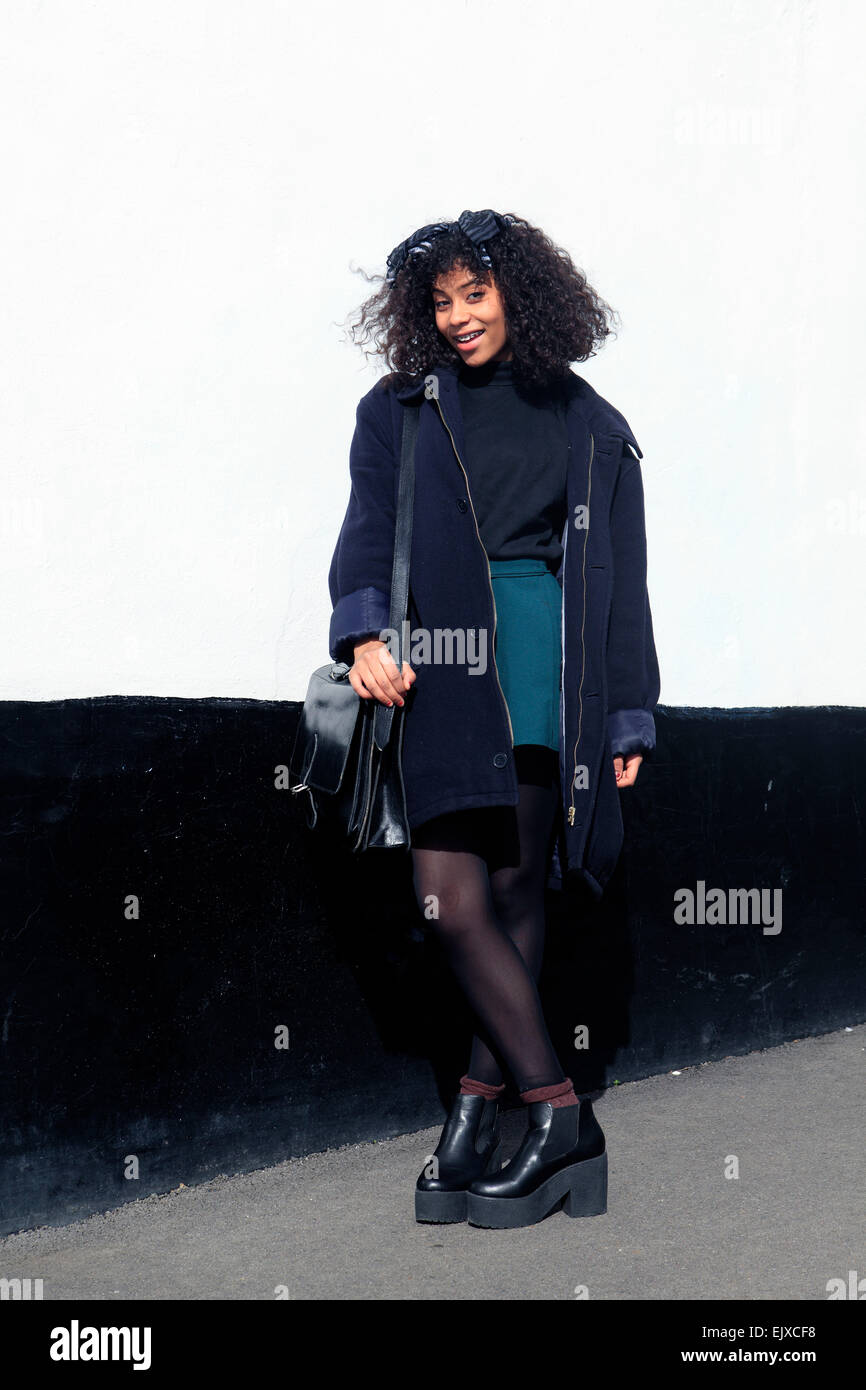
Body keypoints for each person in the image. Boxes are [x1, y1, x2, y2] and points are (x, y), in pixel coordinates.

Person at [328, 210, 660, 1229]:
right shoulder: (401, 407)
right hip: (443, 667)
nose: (458, 315)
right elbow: (365, 523)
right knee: (449, 893)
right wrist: (364, 632)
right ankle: (556, 1112)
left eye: (475, 293)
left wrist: (625, 716)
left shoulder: (589, 422)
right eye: (441, 300)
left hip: (544, 663)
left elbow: (619, 582)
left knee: (516, 887)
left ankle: (476, 1117)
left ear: (519, 293)